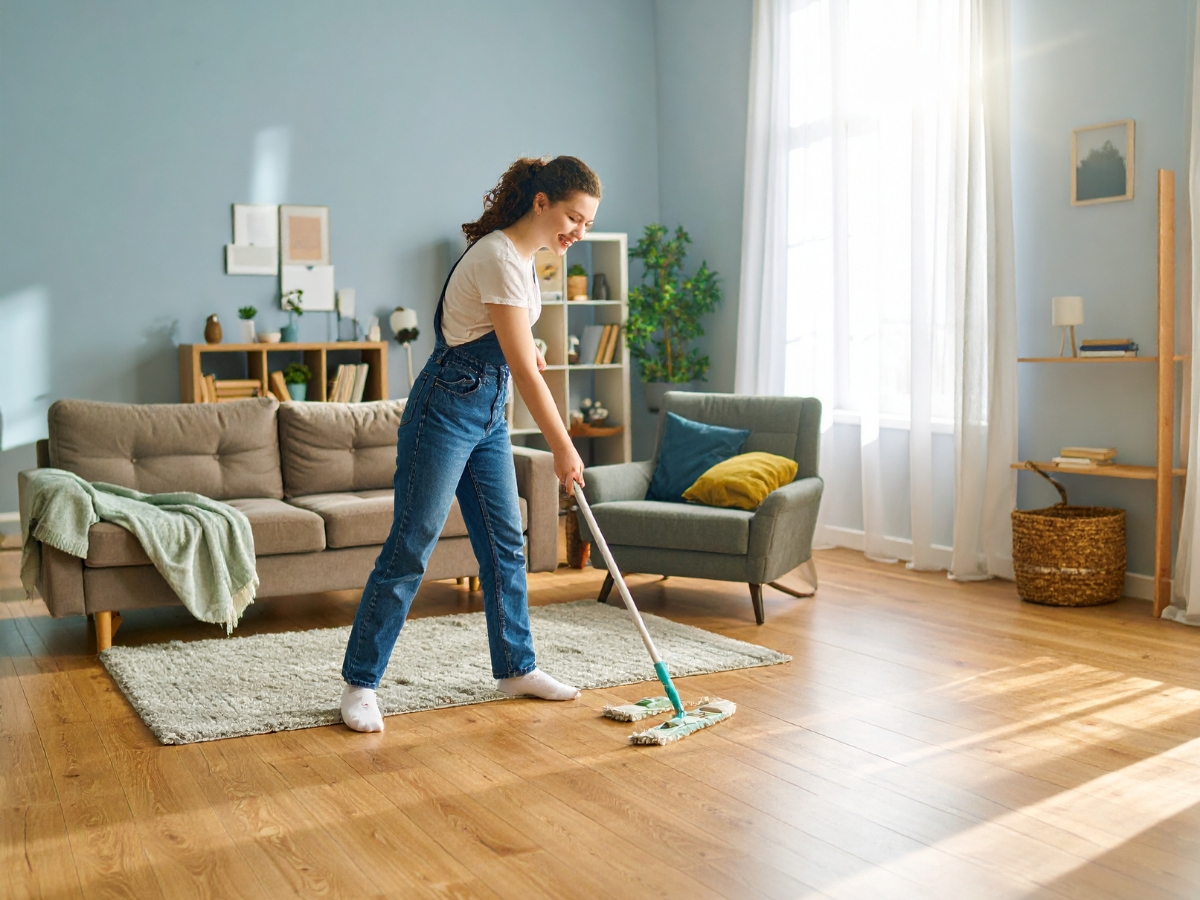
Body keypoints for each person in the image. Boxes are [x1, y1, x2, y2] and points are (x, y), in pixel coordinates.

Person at [339, 156, 601, 732]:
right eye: (574, 219)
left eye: (585, 224)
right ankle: (360, 683)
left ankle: (515, 667)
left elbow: (505, 341)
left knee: (505, 542)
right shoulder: (499, 256)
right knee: (412, 544)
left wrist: (526, 348)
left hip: (489, 415)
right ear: (542, 202)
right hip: (444, 410)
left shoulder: (527, 260)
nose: (578, 234)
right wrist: (563, 446)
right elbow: (523, 371)